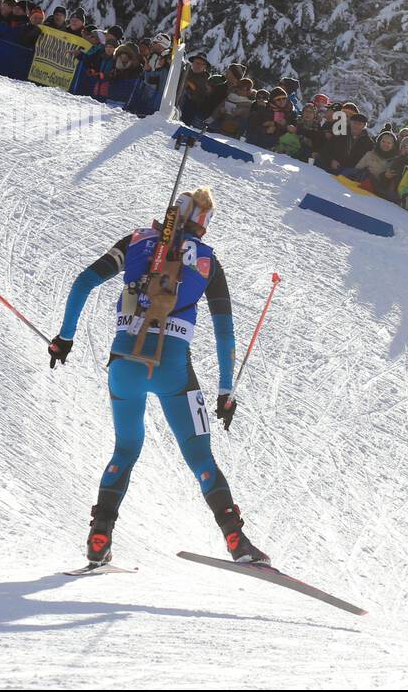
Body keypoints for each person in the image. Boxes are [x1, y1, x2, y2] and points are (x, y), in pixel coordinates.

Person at [47, 188, 268, 567]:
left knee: (126, 448)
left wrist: (64, 338)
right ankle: (236, 539)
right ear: (204, 225)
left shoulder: (135, 241)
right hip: (172, 368)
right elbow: (225, 333)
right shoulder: (208, 262)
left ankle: (100, 535)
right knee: (200, 456)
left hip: (124, 364)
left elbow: (82, 282)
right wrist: (226, 391)